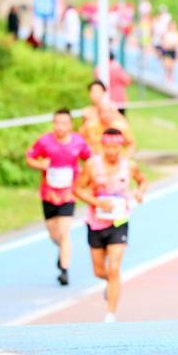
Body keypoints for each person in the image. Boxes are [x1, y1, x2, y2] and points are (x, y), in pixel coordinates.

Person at [73, 128, 147, 323]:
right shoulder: (92, 165)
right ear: (103, 146)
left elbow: (142, 181)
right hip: (96, 222)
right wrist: (97, 202)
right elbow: (77, 189)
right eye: (108, 147)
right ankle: (111, 282)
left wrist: (140, 192)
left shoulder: (129, 166)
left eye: (116, 147)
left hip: (119, 221)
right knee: (100, 271)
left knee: (114, 268)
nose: (112, 151)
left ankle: (110, 315)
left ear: (121, 147)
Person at [26, 109, 91, 286]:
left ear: (70, 125)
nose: (60, 127)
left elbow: (90, 160)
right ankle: (63, 253)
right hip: (49, 194)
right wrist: (40, 165)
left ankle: (64, 270)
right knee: (54, 234)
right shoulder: (45, 141)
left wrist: (84, 176)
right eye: (57, 122)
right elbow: (29, 158)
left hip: (68, 194)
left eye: (64, 123)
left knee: (64, 231)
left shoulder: (78, 142)